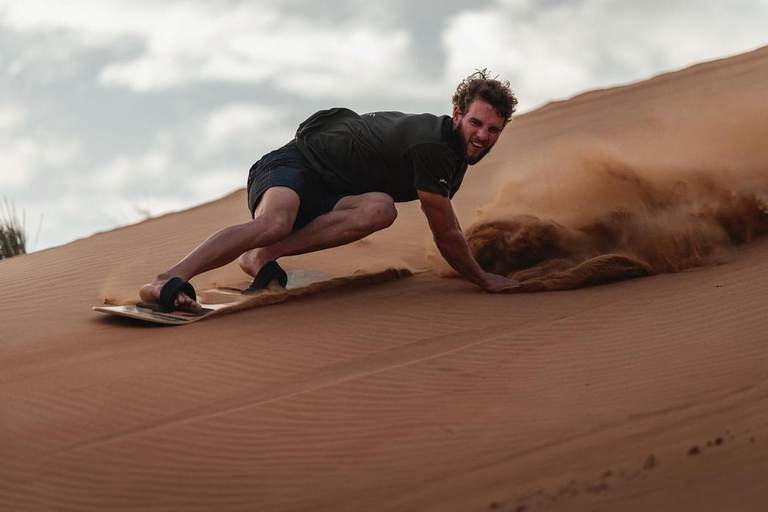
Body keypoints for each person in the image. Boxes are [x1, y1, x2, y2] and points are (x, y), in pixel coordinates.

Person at [140, 70, 520, 313]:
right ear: (457, 114)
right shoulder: (433, 148)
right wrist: (484, 279)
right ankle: (164, 279)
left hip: (331, 192)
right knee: (274, 222)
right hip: (292, 164)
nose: (482, 136)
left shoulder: (453, 157)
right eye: (476, 123)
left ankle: (261, 257)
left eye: (493, 130)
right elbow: (447, 235)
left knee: (380, 210)